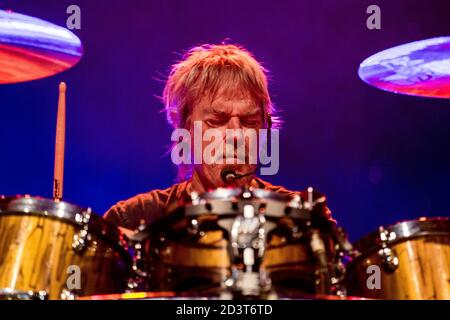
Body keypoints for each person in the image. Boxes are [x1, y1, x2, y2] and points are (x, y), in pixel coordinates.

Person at [104, 43, 333, 230]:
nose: (236, 135)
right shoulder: (132, 220)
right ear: (184, 129)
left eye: (249, 122)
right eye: (216, 121)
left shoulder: (302, 218)